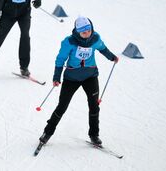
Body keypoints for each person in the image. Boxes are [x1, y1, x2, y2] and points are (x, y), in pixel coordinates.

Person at [38, 17, 118, 147]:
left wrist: (112, 57)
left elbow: (103, 48)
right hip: (71, 78)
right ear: (77, 31)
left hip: (90, 76)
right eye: (83, 32)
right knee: (62, 106)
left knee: (94, 106)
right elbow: (60, 59)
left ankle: (94, 135)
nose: (87, 34)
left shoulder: (95, 38)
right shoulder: (69, 42)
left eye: (89, 30)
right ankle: (47, 132)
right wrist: (56, 77)